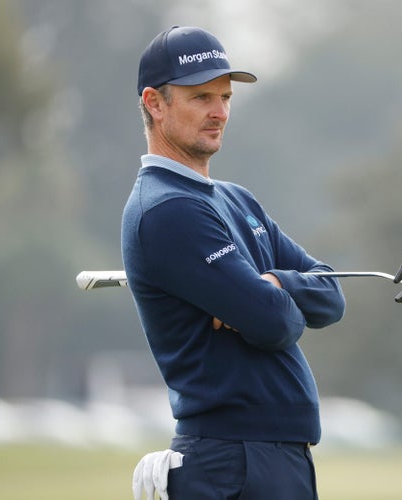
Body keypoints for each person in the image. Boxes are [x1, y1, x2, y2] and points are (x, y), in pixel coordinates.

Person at [122, 25, 346, 499]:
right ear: (154, 103)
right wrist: (272, 297)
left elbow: (330, 295)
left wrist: (271, 282)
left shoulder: (234, 199)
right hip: (233, 463)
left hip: (270, 457)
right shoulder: (168, 209)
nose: (219, 112)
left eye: (225, 97)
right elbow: (274, 322)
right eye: (201, 97)